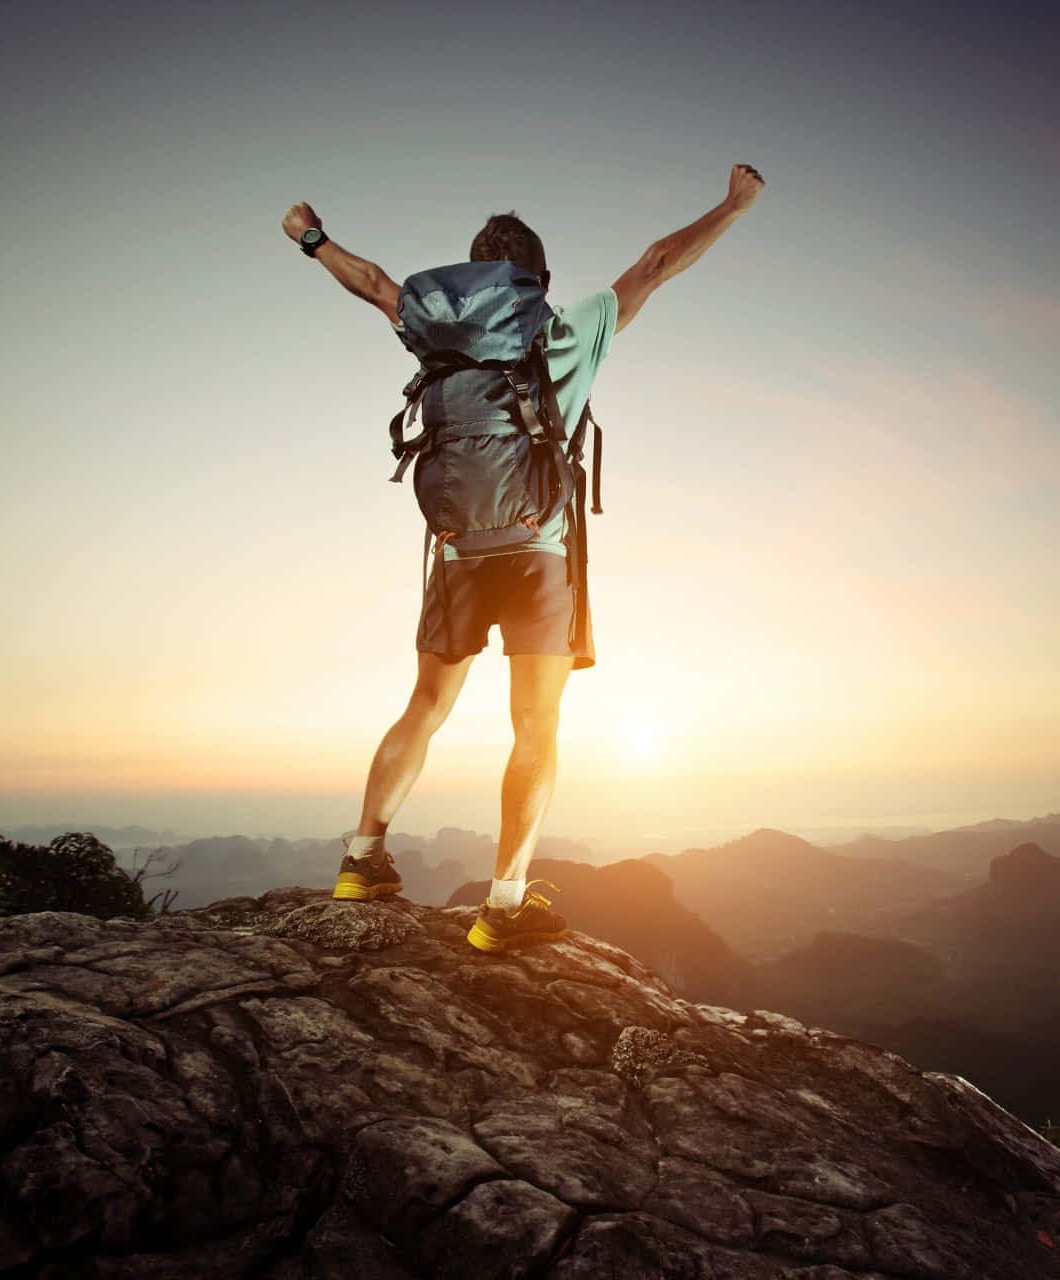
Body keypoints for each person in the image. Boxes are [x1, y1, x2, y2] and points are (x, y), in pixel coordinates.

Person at [280, 164, 765, 951]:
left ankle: (362, 859)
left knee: (426, 706)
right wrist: (732, 207)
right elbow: (656, 264)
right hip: (540, 555)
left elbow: (368, 279)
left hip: (459, 549)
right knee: (536, 724)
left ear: (471, 277)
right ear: (537, 279)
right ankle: (503, 907)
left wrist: (310, 236)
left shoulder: (434, 339)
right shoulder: (569, 329)